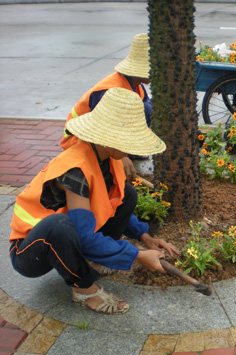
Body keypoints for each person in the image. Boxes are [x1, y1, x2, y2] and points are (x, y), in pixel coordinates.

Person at [9, 87, 178, 315]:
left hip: (66, 237)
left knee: (128, 194)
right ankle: (85, 289)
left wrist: (145, 237)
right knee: (59, 225)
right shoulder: (76, 168)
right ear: (109, 139)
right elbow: (85, 238)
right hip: (30, 250)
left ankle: (94, 261)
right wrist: (136, 255)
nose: (133, 150)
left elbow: (113, 203)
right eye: (129, 141)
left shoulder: (108, 157)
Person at [60, 33, 152, 180]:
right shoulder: (110, 91)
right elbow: (99, 132)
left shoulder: (137, 86)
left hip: (106, 140)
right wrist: (119, 158)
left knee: (146, 108)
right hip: (79, 140)